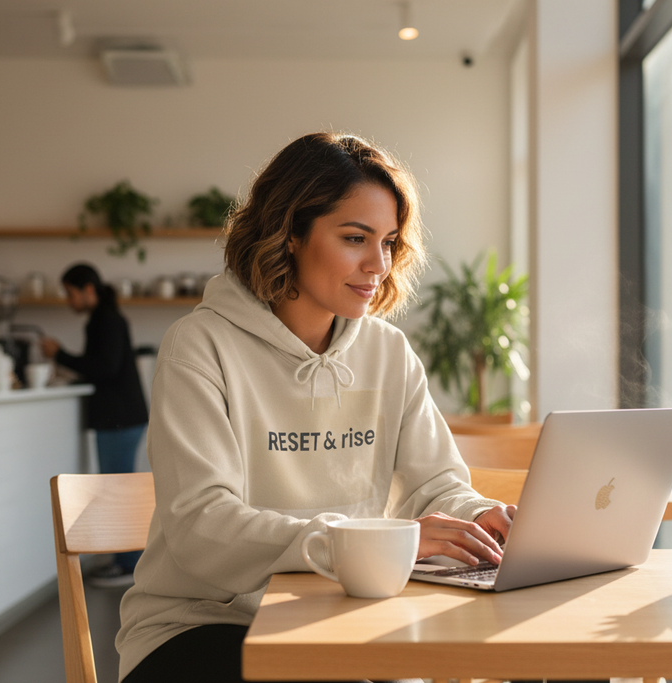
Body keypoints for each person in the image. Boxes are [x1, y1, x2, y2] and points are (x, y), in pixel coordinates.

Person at [116, 132, 516, 683]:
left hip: (346, 614)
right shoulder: (200, 347)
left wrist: (479, 518)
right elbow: (202, 527)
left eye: (390, 243)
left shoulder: (388, 352)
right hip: (203, 626)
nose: (378, 264)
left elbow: (438, 488)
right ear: (289, 235)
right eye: (356, 237)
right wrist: (354, 543)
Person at [41, 263, 149, 587]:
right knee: (119, 491)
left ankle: (128, 565)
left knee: (115, 493)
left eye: (70, 293)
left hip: (118, 418)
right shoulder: (106, 318)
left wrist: (60, 355)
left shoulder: (105, 320)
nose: (68, 301)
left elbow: (104, 367)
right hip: (124, 416)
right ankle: (126, 562)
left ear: (88, 290)